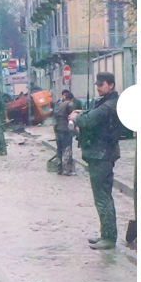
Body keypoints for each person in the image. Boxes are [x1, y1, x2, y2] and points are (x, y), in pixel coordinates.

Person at [68, 72, 122, 250]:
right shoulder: (106, 102)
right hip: (99, 154)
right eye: (97, 84)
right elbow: (92, 114)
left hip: (102, 155)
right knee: (100, 196)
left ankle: (109, 237)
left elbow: (91, 119)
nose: (98, 87)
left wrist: (77, 117)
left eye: (102, 84)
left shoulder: (111, 104)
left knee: (103, 197)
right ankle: (105, 233)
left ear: (111, 85)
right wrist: (82, 113)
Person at [53, 90, 76, 175]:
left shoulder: (59, 104)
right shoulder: (70, 104)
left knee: (59, 149)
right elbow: (72, 117)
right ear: (72, 99)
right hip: (65, 129)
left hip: (57, 128)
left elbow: (54, 114)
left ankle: (59, 168)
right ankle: (68, 169)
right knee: (67, 148)